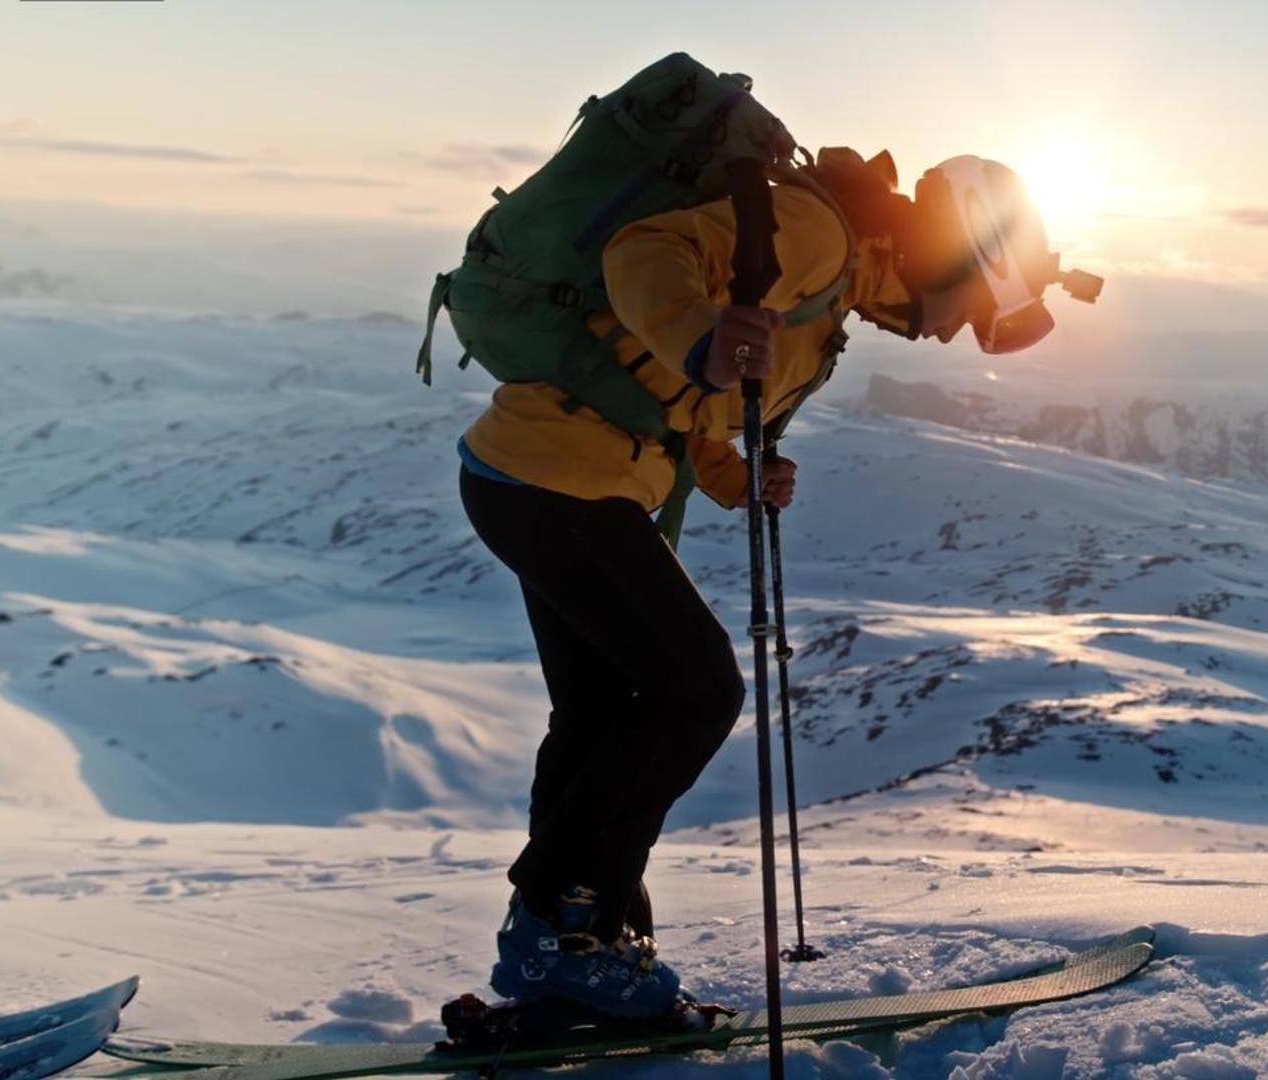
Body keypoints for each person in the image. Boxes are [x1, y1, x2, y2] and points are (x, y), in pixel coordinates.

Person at [455, 147, 1095, 1019]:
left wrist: (733, 477)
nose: (948, 332)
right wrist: (698, 340)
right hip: (554, 482)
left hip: (551, 481)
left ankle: (581, 945)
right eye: (968, 307)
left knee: (601, 715)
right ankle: (555, 933)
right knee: (695, 689)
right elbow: (641, 253)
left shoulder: (832, 279)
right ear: (952, 257)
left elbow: (670, 391)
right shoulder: (814, 234)